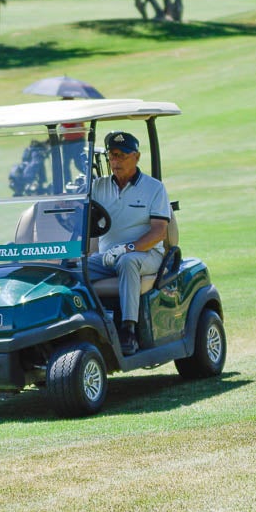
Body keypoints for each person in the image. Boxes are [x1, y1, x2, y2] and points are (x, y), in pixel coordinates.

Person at [87, 131, 171, 356]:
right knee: (73, 269)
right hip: (106, 257)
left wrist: (127, 248)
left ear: (136, 156)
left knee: (127, 262)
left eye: (121, 155)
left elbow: (159, 232)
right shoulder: (98, 187)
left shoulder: (154, 188)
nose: (115, 161)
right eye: (111, 155)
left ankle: (128, 331)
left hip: (146, 254)